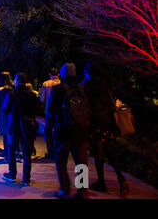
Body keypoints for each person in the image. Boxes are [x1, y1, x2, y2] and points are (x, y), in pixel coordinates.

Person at [83, 61, 128, 196]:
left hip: (95, 122)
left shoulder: (87, 84)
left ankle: (101, 182)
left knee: (98, 154)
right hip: (108, 122)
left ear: (89, 71)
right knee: (112, 153)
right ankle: (121, 179)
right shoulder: (107, 84)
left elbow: (86, 104)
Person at [49, 63, 91, 199]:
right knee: (82, 163)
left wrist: (49, 129)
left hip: (63, 130)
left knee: (61, 161)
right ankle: (83, 191)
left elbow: (51, 112)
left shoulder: (57, 89)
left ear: (62, 74)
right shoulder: (83, 88)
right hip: (81, 130)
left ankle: (65, 190)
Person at [1, 72, 38, 186]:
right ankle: (26, 179)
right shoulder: (32, 95)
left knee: (12, 150)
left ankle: (12, 175)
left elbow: (5, 110)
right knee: (27, 154)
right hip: (27, 127)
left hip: (14, 126)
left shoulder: (11, 94)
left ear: (16, 81)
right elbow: (35, 111)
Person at [40, 68, 61, 160]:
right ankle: (59, 151)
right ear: (59, 74)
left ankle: (50, 152)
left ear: (49, 74)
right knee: (59, 130)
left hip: (49, 110)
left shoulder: (46, 84)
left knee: (48, 131)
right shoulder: (62, 83)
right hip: (61, 111)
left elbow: (42, 99)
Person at [0, 72, 14, 161]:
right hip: (13, 112)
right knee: (13, 133)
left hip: (3, 113)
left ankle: (7, 153)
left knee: (6, 134)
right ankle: (14, 152)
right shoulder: (13, 87)